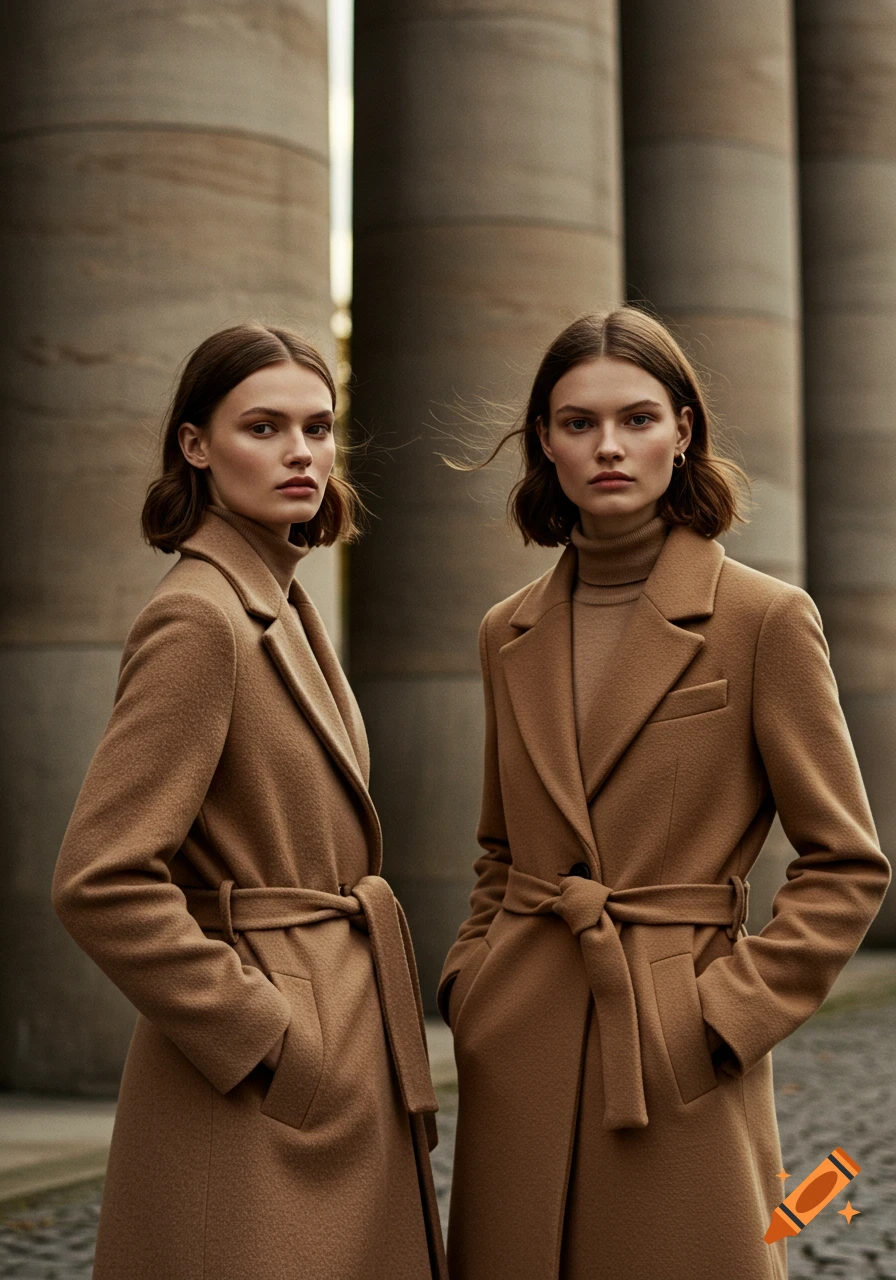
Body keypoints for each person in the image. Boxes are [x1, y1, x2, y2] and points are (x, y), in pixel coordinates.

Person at [437, 307, 891, 1280]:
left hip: (673, 1048)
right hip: (518, 1040)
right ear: (543, 442)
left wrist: (721, 1018)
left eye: (636, 418)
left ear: (682, 431)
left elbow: (844, 861)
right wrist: (470, 989)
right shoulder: (502, 630)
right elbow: (499, 849)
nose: (607, 445)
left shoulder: (762, 618)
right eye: (575, 422)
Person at [52, 323, 447, 1280]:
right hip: (267, 1074)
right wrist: (268, 1040)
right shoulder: (200, 615)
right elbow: (100, 880)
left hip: (338, 1038)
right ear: (196, 444)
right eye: (263, 427)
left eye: (318, 428)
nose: (300, 454)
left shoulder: (278, 598)